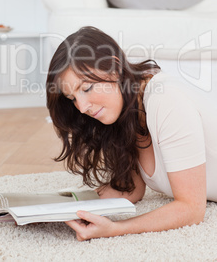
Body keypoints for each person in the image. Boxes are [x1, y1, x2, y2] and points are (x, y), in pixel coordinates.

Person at [46, 26, 217, 241]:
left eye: (87, 88)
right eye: (72, 98)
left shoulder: (166, 100)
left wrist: (115, 229)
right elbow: (130, 189)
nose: (81, 107)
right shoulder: (127, 109)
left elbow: (191, 208)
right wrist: (55, 209)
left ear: (115, 66)